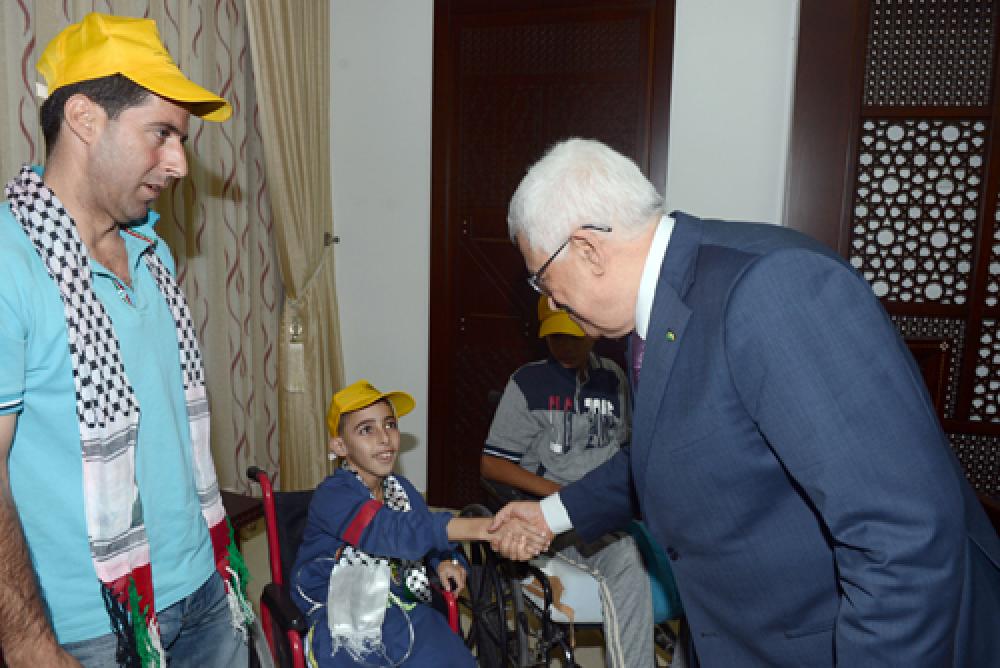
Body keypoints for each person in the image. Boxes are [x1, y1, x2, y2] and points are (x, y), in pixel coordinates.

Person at [490, 137, 1000, 666]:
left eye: (542, 280)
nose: (550, 301)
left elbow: (900, 534)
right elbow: (667, 451)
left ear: (587, 249)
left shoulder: (771, 288)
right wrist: (550, 514)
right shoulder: (664, 304)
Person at [0, 13, 252, 668]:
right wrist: (27, 644)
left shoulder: (151, 250)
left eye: (181, 139)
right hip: (90, 628)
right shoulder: (9, 263)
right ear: (85, 118)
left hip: (205, 585)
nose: (180, 163)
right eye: (161, 133)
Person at [291, 379, 547, 666]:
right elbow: (390, 531)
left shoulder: (400, 491)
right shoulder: (333, 496)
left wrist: (444, 561)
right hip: (341, 614)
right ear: (340, 445)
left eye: (390, 424)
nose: (384, 438)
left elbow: (431, 536)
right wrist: (485, 528)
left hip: (401, 606)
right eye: (366, 430)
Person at [481, 295, 654, 667]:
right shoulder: (528, 383)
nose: (566, 347)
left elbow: (626, 448)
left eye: (575, 337)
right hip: (554, 514)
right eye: (556, 337)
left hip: (609, 506)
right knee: (626, 558)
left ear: (592, 332)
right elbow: (492, 465)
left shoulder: (614, 378)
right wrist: (562, 496)